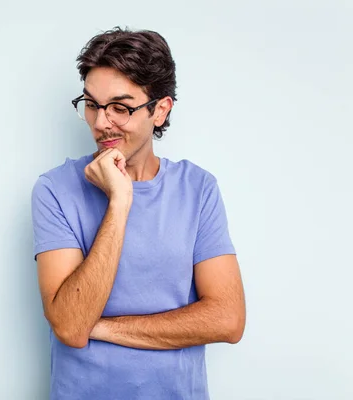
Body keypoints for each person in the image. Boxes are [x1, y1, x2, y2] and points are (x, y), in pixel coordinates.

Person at [30, 27, 246, 400]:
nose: (100, 123)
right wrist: (119, 202)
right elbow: (69, 325)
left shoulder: (198, 189)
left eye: (120, 107)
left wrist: (101, 328)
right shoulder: (55, 190)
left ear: (159, 110)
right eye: (92, 104)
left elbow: (227, 319)